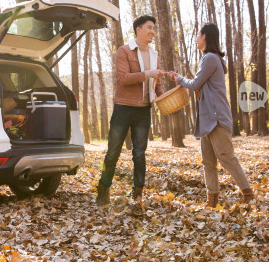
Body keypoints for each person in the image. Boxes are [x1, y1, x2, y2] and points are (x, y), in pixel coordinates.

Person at [169, 23, 255, 208]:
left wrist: (178, 78)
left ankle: (248, 193)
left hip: (217, 118)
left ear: (206, 37)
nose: (196, 38)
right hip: (207, 119)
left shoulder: (210, 58)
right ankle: (212, 199)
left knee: (226, 157)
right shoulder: (208, 59)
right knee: (208, 161)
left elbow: (195, 84)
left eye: (199, 35)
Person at [95, 15, 166, 206]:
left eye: (154, 28)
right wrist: (147, 74)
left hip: (143, 111)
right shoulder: (124, 51)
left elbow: (157, 84)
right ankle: (103, 188)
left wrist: (162, 95)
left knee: (139, 153)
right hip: (123, 108)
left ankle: (138, 193)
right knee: (113, 152)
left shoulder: (154, 54)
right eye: (149, 28)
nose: (152, 31)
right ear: (138, 29)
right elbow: (123, 78)